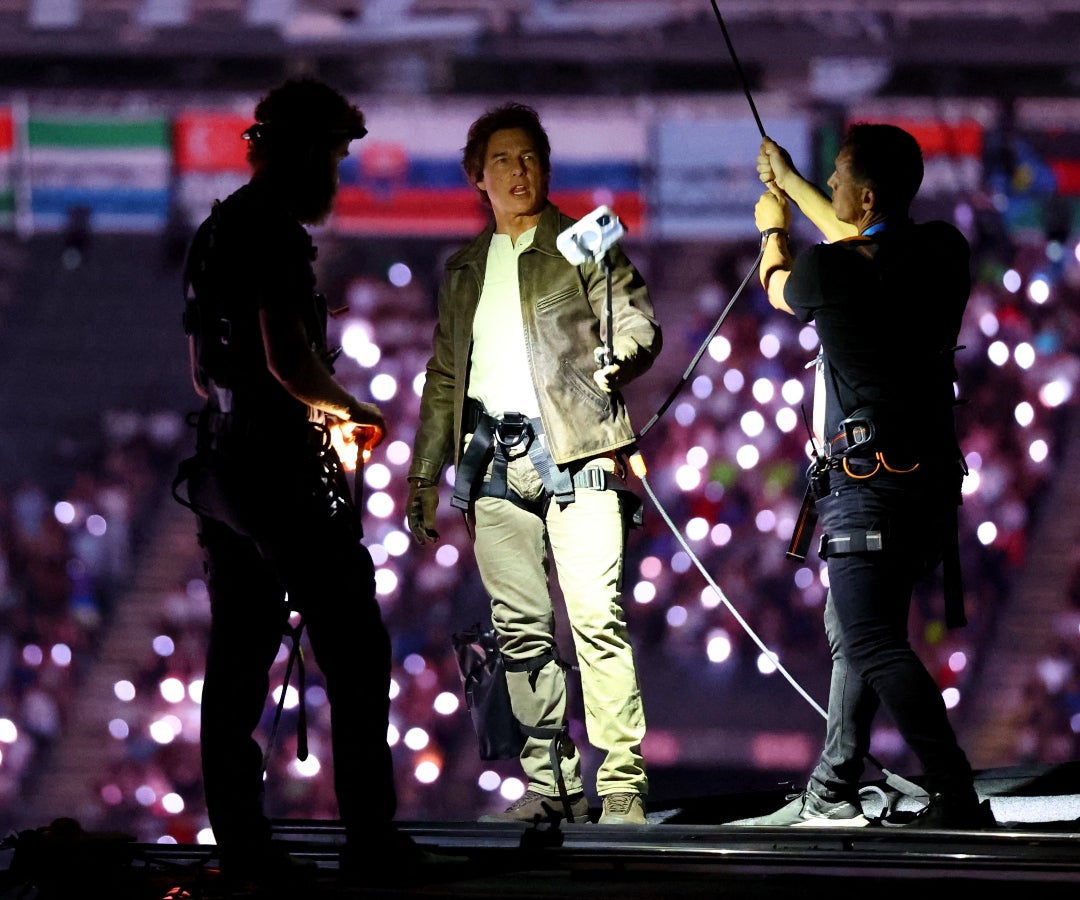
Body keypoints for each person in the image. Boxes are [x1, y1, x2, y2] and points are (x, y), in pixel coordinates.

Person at [173, 78, 417, 884]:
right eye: (335, 158)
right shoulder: (274, 232)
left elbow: (205, 373)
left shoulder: (215, 231)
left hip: (222, 468)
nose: (337, 176)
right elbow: (287, 359)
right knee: (356, 650)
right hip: (279, 473)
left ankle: (242, 845)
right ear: (306, 153)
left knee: (238, 663)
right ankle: (371, 841)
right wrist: (352, 409)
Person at [407, 102, 661, 826]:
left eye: (530, 158)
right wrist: (424, 474)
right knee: (520, 633)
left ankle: (621, 784)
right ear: (477, 177)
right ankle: (553, 789)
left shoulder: (585, 239)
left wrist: (620, 357)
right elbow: (444, 377)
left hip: (580, 453)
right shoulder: (462, 270)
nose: (519, 172)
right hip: (490, 463)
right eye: (503, 160)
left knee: (596, 620)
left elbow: (636, 318)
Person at [744, 123, 993, 829]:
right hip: (927, 484)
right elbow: (866, 244)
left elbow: (778, 284)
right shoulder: (943, 250)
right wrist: (794, 183)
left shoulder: (827, 271)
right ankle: (833, 784)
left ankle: (955, 793)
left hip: (866, 485)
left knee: (874, 643)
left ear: (866, 196)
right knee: (856, 632)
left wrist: (772, 226)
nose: (830, 190)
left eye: (837, 182)